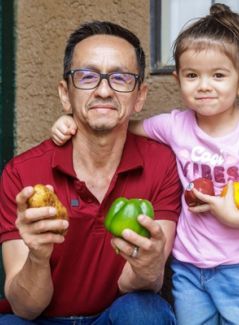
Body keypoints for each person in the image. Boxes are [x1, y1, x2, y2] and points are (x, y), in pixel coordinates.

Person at [51, 4, 239, 325]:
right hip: (189, 267)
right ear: (178, 78)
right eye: (192, 75)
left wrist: (235, 217)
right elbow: (121, 126)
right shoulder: (174, 125)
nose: (204, 85)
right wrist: (71, 120)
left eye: (219, 75)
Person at [0, 20, 182, 324]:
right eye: (87, 76)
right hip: (42, 319)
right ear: (64, 94)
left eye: (120, 78)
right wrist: (38, 255)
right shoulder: (23, 174)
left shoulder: (161, 164)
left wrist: (148, 265)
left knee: (144, 311)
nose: (103, 91)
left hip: (113, 315)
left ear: (140, 96)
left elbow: (138, 285)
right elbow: (26, 307)